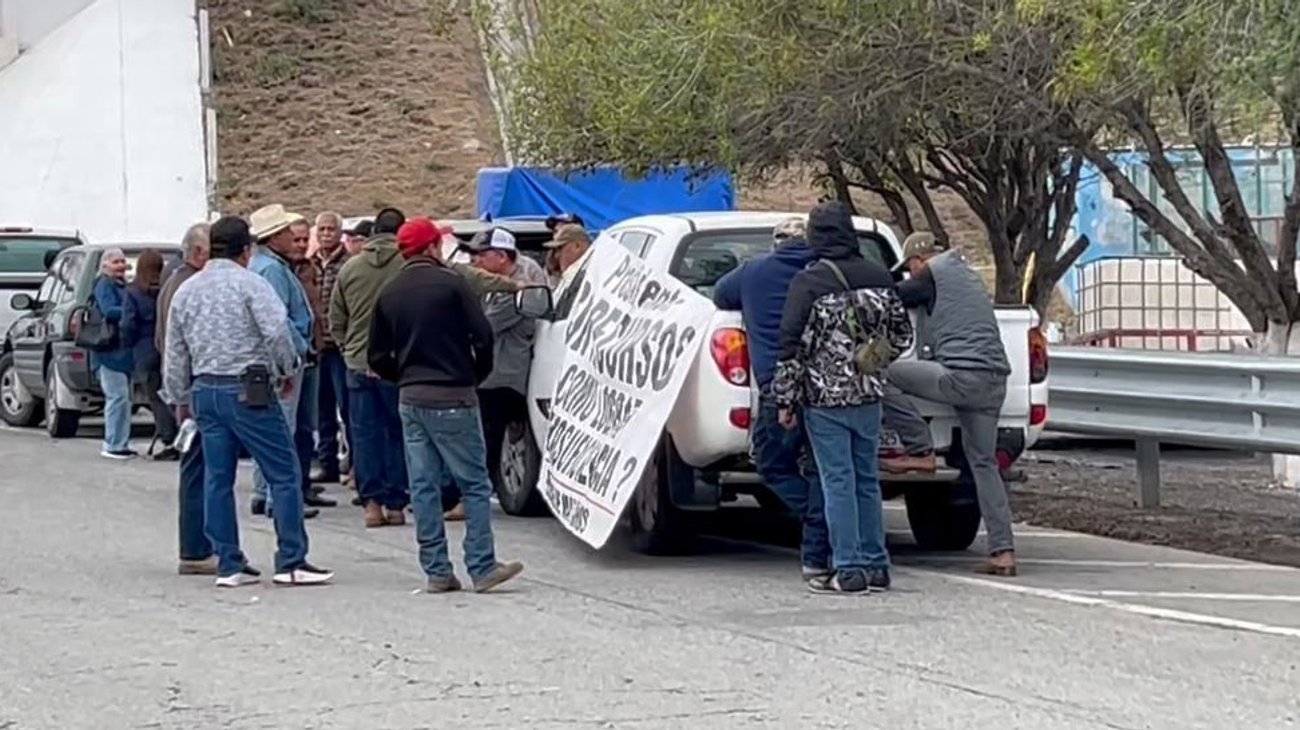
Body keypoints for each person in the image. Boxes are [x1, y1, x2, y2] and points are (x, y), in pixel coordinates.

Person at [162, 215, 333, 588]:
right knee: (283, 472)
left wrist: (179, 396)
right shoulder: (251, 285)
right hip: (249, 388)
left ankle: (228, 562)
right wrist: (287, 370)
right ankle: (291, 559)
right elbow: (277, 332)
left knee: (217, 478)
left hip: (205, 389)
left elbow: (175, 352)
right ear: (245, 250)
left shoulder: (187, 291)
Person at [331, 208, 517, 528]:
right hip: (408, 367)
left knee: (363, 434)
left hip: (361, 365)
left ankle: (371, 504)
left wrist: (351, 349)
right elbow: (470, 282)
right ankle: (396, 504)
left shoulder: (351, 268)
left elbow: (336, 318)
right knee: (400, 437)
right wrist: (516, 287)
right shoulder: (418, 268)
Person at [367, 217, 524, 593]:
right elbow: (483, 336)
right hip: (454, 393)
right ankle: (482, 565)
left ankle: (437, 570)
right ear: (433, 247)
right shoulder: (453, 285)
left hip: (412, 397)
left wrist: (402, 376)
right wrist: (475, 375)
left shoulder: (390, 292)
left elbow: (376, 354)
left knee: (423, 485)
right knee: (472, 482)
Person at [771, 201, 914, 595]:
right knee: (867, 479)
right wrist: (872, 360)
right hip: (869, 393)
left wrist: (785, 400)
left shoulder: (809, 282)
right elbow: (903, 335)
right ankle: (876, 564)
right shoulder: (878, 275)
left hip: (824, 399)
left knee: (837, 482)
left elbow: (791, 347)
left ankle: (848, 567)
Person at [881, 232, 1019, 576]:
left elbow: (893, 296)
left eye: (909, 268)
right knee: (984, 465)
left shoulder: (930, 275)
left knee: (879, 373)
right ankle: (1003, 552)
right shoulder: (967, 276)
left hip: (960, 378)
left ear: (918, 260)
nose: (910, 274)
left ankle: (921, 451)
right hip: (994, 380)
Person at [713, 218, 832, 581]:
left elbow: (720, 295)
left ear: (776, 243)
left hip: (777, 388)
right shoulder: (825, 272)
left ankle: (819, 520)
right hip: (831, 389)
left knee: (773, 464)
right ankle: (829, 533)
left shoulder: (755, 272)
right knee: (826, 470)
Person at [247, 204, 333, 517]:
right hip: (284, 359)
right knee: (282, 429)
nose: (293, 237)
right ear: (274, 237)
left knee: (272, 427)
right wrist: (296, 352)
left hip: (276, 358)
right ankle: (275, 498)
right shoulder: (271, 270)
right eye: (285, 232)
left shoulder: (267, 265)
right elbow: (277, 321)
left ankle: (262, 492)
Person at [461, 228, 549, 518]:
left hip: (503, 376)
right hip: (491, 373)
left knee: (486, 438)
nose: (475, 261)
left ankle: (473, 498)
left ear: (501, 256)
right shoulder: (498, 285)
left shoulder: (517, 290)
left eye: (480, 255)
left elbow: (484, 326)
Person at [159, 222, 214, 575]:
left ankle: (198, 546)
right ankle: (195, 549)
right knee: (198, 470)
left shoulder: (175, 283)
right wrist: (182, 396)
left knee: (198, 469)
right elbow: (178, 349)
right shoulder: (187, 286)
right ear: (198, 253)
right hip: (193, 390)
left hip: (185, 389)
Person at [289, 218, 332, 507]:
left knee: (307, 425)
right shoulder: (277, 271)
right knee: (290, 426)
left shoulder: (309, 268)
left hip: (314, 353)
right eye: (297, 240)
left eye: (306, 240)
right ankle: (287, 488)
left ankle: (302, 483)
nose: (303, 245)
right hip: (293, 356)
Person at [121, 249, 179, 460]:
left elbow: (128, 323)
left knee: (156, 398)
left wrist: (127, 343)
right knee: (173, 393)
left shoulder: (133, 291)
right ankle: (182, 433)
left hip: (143, 349)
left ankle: (169, 439)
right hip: (165, 346)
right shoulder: (165, 289)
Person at [310, 212, 351, 486]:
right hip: (318, 347)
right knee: (322, 409)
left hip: (340, 347)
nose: (326, 234)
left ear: (339, 233)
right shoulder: (310, 264)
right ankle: (327, 464)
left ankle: (357, 466)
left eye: (331, 229)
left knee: (348, 409)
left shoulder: (348, 264)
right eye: (322, 229)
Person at [91, 248, 136, 460]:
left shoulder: (123, 286)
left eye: (122, 262)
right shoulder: (103, 285)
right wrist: (130, 310)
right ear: (105, 265)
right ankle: (113, 444)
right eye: (116, 262)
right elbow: (108, 310)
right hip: (108, 351)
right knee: (117, 397)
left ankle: (121, 442)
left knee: (124, 399)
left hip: (122, 351)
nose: (121, 266)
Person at [545, 224, 593, 314]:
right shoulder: (572, 275)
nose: (557, 255)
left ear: (577, 246)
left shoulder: (593, 274)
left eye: (560, 248)